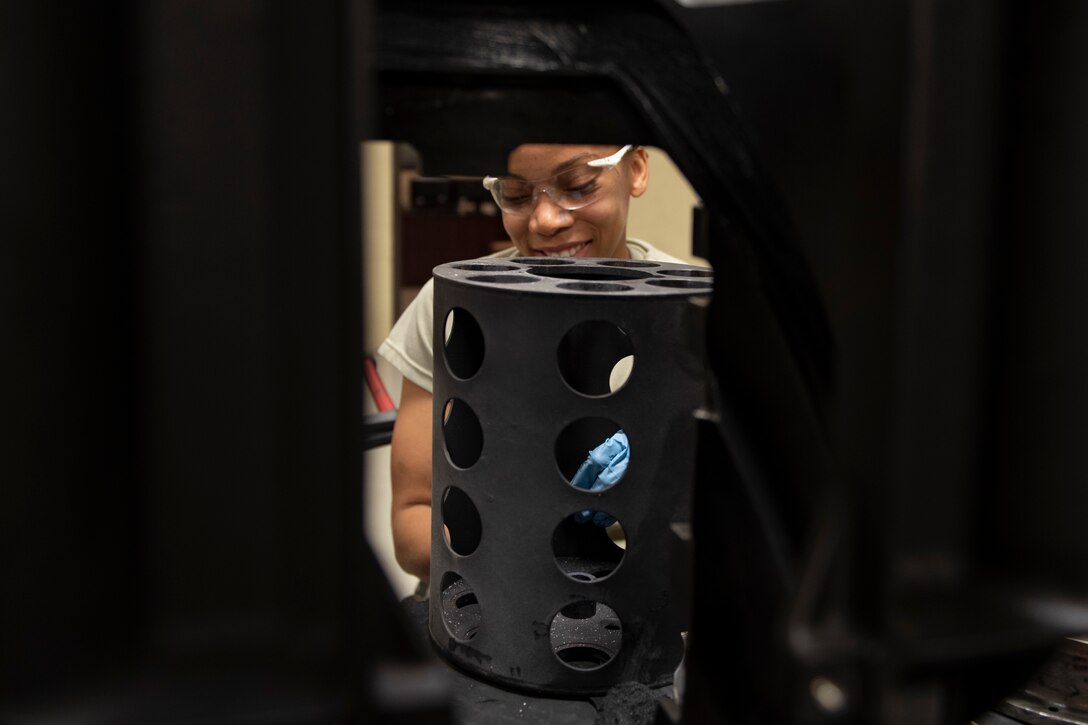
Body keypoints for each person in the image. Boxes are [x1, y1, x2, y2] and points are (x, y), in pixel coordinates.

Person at [377, 143, 688, 583]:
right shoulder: (452, 308)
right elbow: (413, 524)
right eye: (518, 196)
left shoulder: (691, 316)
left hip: (635, 601)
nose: (545, 221)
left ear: (635, 170)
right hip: (484, 600)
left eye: (579, 186)